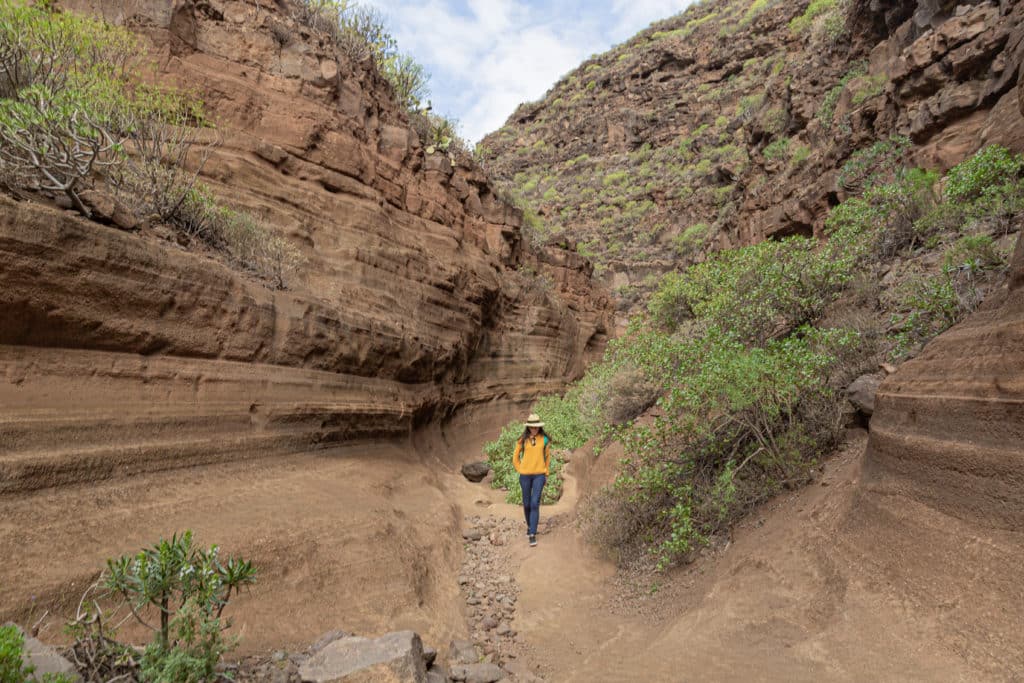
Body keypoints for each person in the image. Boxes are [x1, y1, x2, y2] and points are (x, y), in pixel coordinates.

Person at [513, 413, 550, 547]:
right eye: (532, 427)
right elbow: (515, 457)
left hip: (539, 475)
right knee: (527, 503)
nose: (534, 429)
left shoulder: (544, 440)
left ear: (539, 427)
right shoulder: (522, 440)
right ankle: (529, 526)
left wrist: (546, 473)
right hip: (525, 476)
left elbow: (547, 458)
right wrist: (520, 469)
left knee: (535, 503)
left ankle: (533, 533)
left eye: (536, 427)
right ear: (528, 427)